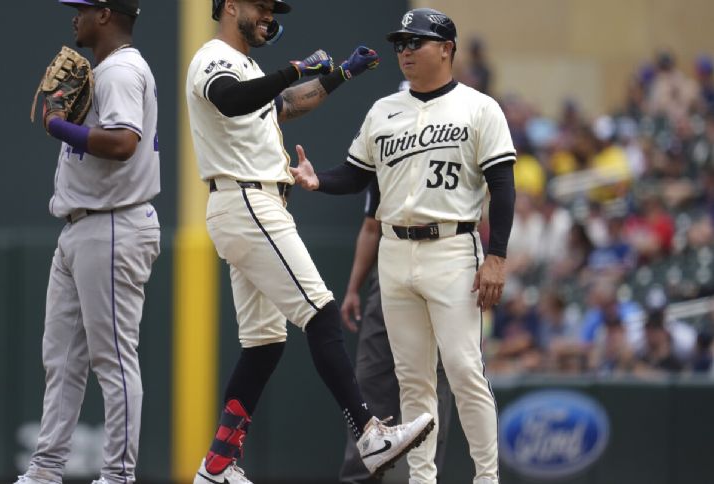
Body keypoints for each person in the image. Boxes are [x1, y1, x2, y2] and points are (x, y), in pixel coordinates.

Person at [185, 1, 435, 483]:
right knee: (320, 312)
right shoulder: (214, 57)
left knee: (263, 344)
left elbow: (285, 105)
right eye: (259, 6)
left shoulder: (249, 67)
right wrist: (292, 67)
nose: (267, 15)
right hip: (246, 200)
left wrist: (341, 74)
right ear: (229, 5)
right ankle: (370, 434)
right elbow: (230, 99)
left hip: (249, 204)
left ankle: (217, 465)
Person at [290, 8, 516, 484]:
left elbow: (503, 184)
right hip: (394, 251)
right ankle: (422, 479)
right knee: (412, 378)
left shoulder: (479, 107)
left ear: (446, 48)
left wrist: (497, 257)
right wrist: (318, 181)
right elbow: (355, 175)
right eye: (400, 43)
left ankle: (487, 477)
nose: (406, 51)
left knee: (462, 368)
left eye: (417, 42)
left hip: (452, 247)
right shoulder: (383, 111)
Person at [16, 1, 161, 483]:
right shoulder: (107, 70)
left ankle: (118, 477)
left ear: (105, 14)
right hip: (82, 226)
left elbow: (122, 144)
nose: (72, 17)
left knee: (113, 361)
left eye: (81, 8)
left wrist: (58, 124)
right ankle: (44, 471)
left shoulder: (121, 71)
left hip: (113, 224)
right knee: (61, 360)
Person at [339, 179, 455, 484]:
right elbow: (370, 226)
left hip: (443, 268)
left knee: (433, 389)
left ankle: (426, 479)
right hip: (390, 273)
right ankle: (359, 477)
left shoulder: (456, 137)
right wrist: (353, 288)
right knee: (369, 384)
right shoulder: (385, 145)